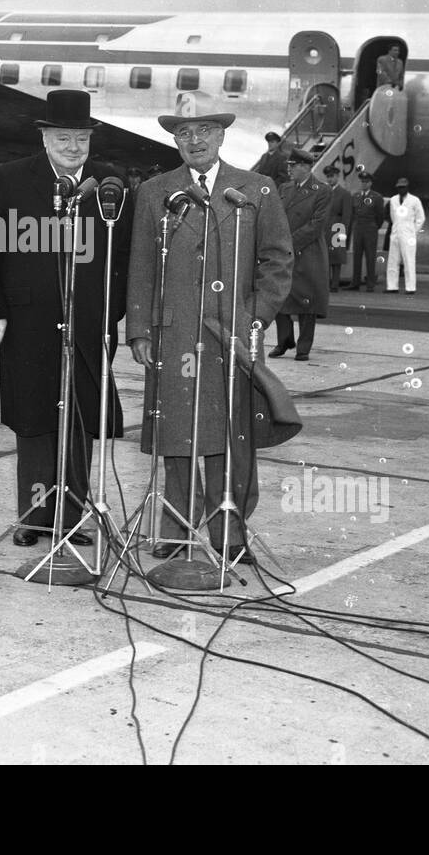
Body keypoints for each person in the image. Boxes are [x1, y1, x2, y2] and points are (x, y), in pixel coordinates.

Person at [0, 89, 130, 548]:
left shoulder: (109, 185)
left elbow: (125, 258)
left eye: (81, 138)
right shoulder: (11, 178)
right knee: (35, 419)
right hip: (25, 322)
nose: (74, 147)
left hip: (89, 323)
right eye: (64, 137)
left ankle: (73, 519)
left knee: (78, 419)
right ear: (46, 138)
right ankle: (34, 517)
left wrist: (110, 314)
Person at [126, 110, 293, 560]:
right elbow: (141, 264)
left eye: (204, 131)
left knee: (231, 437)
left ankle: (229, 534)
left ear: (221, 136)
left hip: (232, 336)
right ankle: (177, 529)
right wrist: (139, 329)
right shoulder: (154, 192)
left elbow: (277, 261)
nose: (194, 139)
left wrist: (252, 317)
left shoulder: (257, 189)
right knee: (177, 436)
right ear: (175, 141)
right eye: (184, 132)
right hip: (174, 330)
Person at [271, 149, 329, 360]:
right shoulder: (284, 188)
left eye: (292, 166)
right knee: (281, 297)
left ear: (305, 167)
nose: (288, 169)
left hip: (308, 252)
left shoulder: (322, 190)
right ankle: (284, 341)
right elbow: (275, 216)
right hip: (285, 251)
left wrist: (289, 241)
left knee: (307, 301)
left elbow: (316, 225)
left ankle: (303, 348)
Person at [383, 177, 425, 294]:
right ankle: (392, 286)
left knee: (409, 260)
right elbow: (392, 216)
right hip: (396, 231)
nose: (401, 189)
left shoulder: (415, 200)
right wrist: (397, 227)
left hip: (408, 233)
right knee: (392, 260)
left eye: (403, 187)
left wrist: (413, 231)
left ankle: (410, 287)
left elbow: (421, 218)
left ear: (407, 187)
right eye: (399, 187)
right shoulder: (393, 200)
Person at [346, 170, 386, 291]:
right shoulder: (356, 196)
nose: (363, 184)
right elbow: (353, 214)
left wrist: (374, 226)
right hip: (358, 229)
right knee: (356, 256)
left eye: (366, 182)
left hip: (370, 229)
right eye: (362, 182)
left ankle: (370, 284)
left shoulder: (377, 197)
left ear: (370, 183)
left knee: (370, 256)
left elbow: (380, 216)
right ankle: (355, 282)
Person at [323, 164, 352, 292]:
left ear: (337, 177)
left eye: (332, 177)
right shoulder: (324, 192)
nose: (330, 179)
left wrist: (343, 232)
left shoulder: (344, 194)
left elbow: (347, 215)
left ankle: (334, 284)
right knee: (325, 256)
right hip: (324, 228)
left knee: (336, 257)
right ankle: (325, 283)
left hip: (337, 227)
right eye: (328, 177)